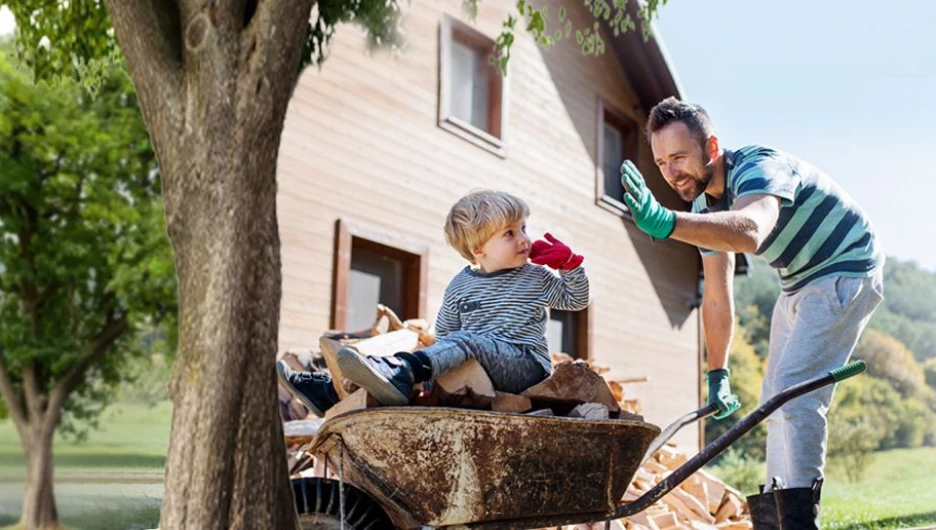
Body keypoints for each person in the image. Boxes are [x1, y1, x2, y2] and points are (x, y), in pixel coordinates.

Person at [619, 97, 884, 529]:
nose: (671, 173)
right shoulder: (704, 209)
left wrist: (667, 222)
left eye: (680, 157)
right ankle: (774, 519)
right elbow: (717, 295)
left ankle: (798, 521)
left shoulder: (758, 167)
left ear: (712, 146)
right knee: (771, 403)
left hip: (846, 267)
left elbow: (752, 230)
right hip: (798, 281)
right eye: (662, 162)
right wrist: (717, 373)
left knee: (793, 391)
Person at [278, 190, 590, 412]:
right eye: (509, 233)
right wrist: (433, 379)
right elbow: (443, 338)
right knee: (443, 353)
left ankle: (400, 373)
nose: (524, 239)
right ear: (478, 248)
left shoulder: (534, 278)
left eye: (523, 227)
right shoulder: (461, 285)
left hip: (525, 366)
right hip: (478, 368)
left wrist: (570, 265)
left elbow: (576, 300)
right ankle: (332, 394)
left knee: (464, 342)